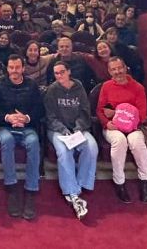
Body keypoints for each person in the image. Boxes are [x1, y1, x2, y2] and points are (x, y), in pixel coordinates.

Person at [0, 54, 43, 220]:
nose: (14, 70)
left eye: (17, 67)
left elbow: (39, 109)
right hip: (6, 126)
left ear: (23, 68)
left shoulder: (32, 85)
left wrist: (26, 118)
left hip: (27, 127)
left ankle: (31, 189)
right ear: (7, 68)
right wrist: (8, 117)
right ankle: (11, 186)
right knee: (7, 140)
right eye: (11, 67)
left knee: (34, 142)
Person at [44, 62, 97, 219]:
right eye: (56, 73)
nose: (59, 75)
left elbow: (85, 111)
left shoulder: (79, 88)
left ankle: (80, 183)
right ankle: (72, 192)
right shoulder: (52, 90)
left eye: (62, 72)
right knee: (64, 150)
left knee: (91, 147)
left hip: (78, 129)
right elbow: (50, 116)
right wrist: (63, 130)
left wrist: (78, 128)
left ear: (69, 71)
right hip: (57, 131)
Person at [97, 57, 147, 203]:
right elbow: (101, 110)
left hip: (133, 126)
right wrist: (107, 122)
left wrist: (119, 114)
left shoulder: (137, 88)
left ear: (125, 68)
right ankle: (119, 182)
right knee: (119, 141)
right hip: (112, 126)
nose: (117, 72)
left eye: (119, 68)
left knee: (136, 142)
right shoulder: (107, 86)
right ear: (109, 72)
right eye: (113, 69)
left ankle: (145, 180)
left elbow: (142, 113)